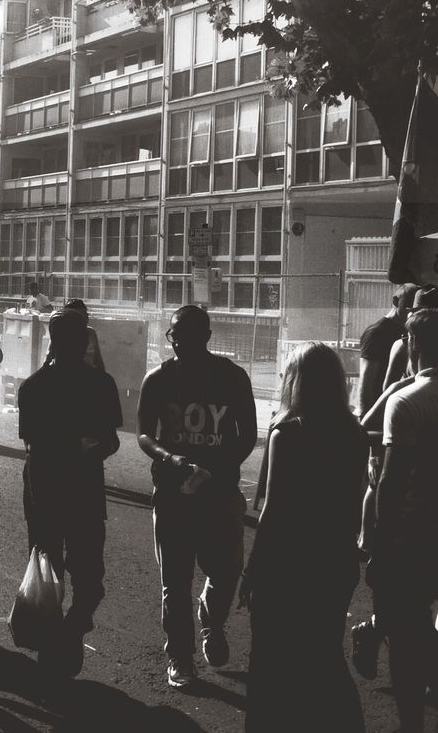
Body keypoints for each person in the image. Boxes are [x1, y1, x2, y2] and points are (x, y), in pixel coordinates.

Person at [239, 342, 366, 732]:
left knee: (271, 659)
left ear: (296, 381)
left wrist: (252, 571)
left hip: (288, 563)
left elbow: (273, 512)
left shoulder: (289, 433)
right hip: (335, 560)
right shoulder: (354, 433)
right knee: (325, 656)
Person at [136, 304, 257, 688]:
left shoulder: (232, 378)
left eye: (186, 337)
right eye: (174, 336)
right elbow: (143, 433)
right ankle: (180, 657)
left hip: (219, 494)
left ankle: (211, 620)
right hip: (173, 494)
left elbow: (248, 435)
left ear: (206, 337)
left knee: (225, 572)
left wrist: (214, 472)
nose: (178, 344)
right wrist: (172, 459)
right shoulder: (157, 379)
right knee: (174, 579)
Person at [17, 309, 121, 677]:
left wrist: (88, 448)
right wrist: (90, 449)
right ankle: (65, 634)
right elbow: (110, 441)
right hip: (70, 490)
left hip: (52, 489)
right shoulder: (96, 385)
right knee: (78, 576)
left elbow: (33, 445)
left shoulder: (35, 387)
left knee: (60, 573)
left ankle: (65, 631)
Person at [371, 307, 438, 733]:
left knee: (406, 629)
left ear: (412, 345)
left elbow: (391, 484)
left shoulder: (407, 401)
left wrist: (379, 547)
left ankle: (412, 723)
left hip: (415, 531)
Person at [358, 284, 418, 414]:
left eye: (414, 306)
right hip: (378, 409)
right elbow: (366, 380)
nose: (410, 310)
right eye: (407, 303)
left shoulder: (411, 331)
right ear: (395, 301)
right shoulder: (376, 332)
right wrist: (365, 417)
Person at [63, 298, 106, 372]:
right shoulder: (60, 333)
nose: (87, 315)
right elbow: (48, 359)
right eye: (82, 314)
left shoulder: (91, 332)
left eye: (86, 312)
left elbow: (98, 360)